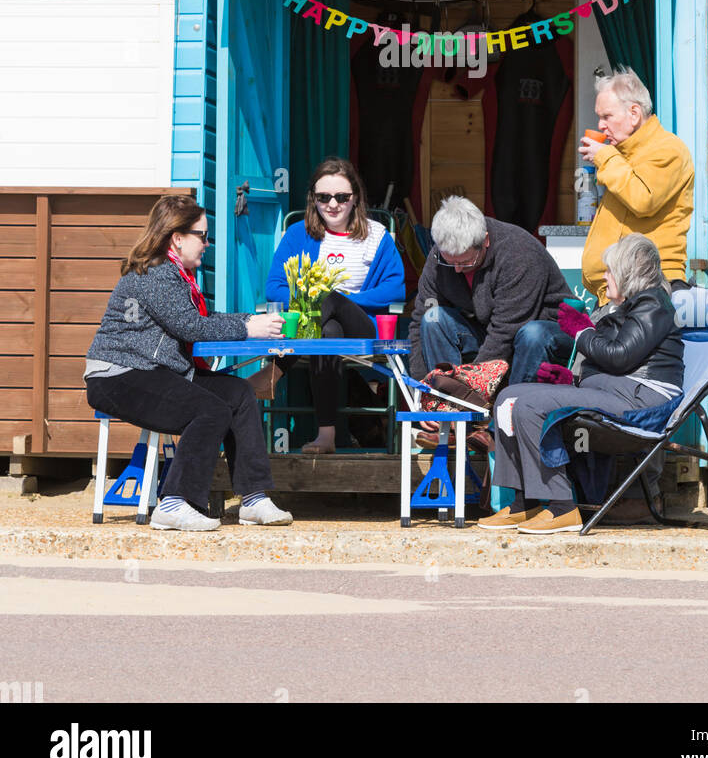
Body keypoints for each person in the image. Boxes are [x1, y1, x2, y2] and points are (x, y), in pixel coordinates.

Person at [84, 194, 292, 532]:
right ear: (177, 238)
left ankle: (253, 499)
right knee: (209, 410)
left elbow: (200, 319)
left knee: (237, 394)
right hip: (120, 375)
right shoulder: (157, 272)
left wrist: (254, 321)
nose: (207, 244)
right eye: (202, 236)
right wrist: (247, 328)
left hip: (157, 371)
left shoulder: (176, 273)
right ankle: (174, 503)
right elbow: (190, 327)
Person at [480, 233, 684, 535]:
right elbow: (615, 360)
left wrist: (581, 332)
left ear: (629, 272)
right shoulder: (624, 309)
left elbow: (619, 357)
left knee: (532, 406)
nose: (604, 277)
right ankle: (524, 501)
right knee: (508, 398)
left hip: (641, 404)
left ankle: (562, 505)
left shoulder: (654, 304)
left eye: (610, 270)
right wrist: (572, 380)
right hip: (615, 392)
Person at [266, 157, 405, 454]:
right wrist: (318, 302)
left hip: (362, 327)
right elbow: (274, 287)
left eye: (341, 197)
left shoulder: (376, 235)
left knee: (328, 299)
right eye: (323, 197)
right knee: (327, 328)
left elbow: (395, 288)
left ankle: (272, 373)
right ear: (313, 199)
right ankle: (326, 436)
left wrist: (342, 300)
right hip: (322, 331)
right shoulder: (297, 234)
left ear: (355, 198)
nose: (332, 204)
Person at [408, 196, 574, 386]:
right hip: (489, 331)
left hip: (548, 332)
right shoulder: (438, 257)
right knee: (433, 318)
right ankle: (446, 397)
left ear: (485, 240)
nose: (456, 270)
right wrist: (421, 385)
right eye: (450, 261)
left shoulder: (520, 254)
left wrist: (474, 389)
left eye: (465, 262)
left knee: (532, 333)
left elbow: (505, 332)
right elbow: (419, 320)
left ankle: (512, 407)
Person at [579, 67, 694, 306]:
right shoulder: (623, 154)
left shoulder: (668, 149)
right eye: (599, 117)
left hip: (650, 287)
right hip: (621, 291)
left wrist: (606, 157)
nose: (600, 125)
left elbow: (643, 199)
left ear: (634, 113)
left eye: (607, 116)